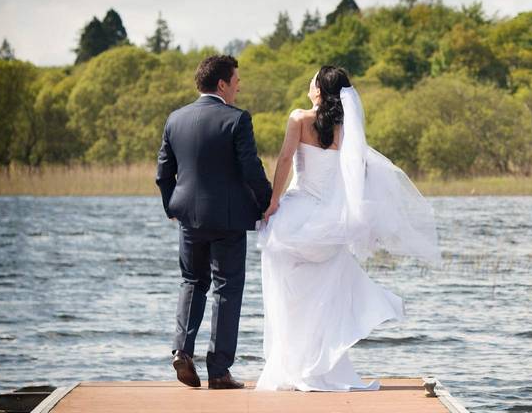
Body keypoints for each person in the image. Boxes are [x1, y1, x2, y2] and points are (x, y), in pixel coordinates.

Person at [255, 65, 440, 391]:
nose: (309, 82)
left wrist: (273, 202)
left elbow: (284, 161)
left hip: (298, 217)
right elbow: (359, 173)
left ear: (319, 90)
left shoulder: (298, 119)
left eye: (313, 79)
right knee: (322, 301)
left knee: (289, 295)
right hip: (331, 222)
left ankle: (289, 363)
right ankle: (315, 364)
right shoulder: (345, 131)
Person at [156, 54, 272, 390]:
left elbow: (163, 173)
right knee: (226, 288)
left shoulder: (175, 119)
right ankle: (219, 371)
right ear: (221, 84)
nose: (239, 87)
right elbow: (251, 169)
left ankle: (182, 350)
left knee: (192, 282)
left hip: (188, 218)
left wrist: (171, 207)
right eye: (236, 81)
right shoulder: (237, 120)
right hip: (228, 219)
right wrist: (267, 204)